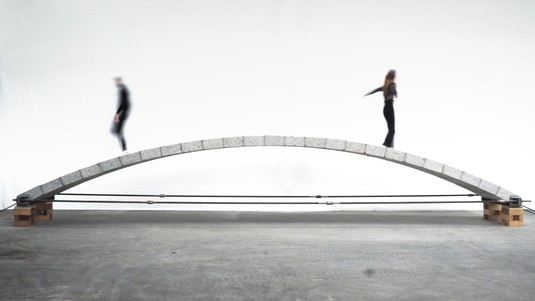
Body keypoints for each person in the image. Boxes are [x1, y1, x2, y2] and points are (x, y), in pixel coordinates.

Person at [364, 69, 398, 148]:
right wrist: (394, 93)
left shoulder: (385, 86)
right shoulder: (392, 84)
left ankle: (390, 146)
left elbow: (375, 90)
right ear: (393, 77)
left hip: (385, 109)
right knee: (392, 130)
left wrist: (367, 94)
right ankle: (386, 145)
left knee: (390, 129)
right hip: (389, 107)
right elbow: (393, 91)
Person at [112, 77, 130, 152]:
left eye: (116, 82)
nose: (115, 83)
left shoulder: (123, 89)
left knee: (118, 130)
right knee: (117, 130)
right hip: (124, 111)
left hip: (124, 111)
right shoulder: (123, 89)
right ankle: (124, 148)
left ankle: (124, 148)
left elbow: (124, 103)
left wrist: (117, 113)